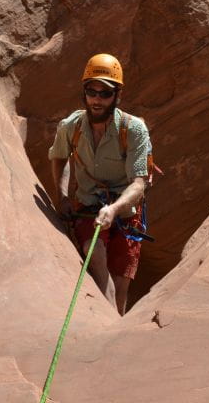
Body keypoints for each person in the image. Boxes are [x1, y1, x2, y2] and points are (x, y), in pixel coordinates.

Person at [48, 53, 151, 315]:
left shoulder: (134, 129)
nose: (97, 99)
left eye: (105, 93)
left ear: (117, 96)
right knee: (92, 250)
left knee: (121, 283)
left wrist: (114, 209)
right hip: (88, 206)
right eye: (91, 91)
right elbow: (60, 157)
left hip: (126, 213)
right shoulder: (70, 127)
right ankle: (109, 323)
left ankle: (114, 323)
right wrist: (61, 197)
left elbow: (139, 183)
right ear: (84, 92)